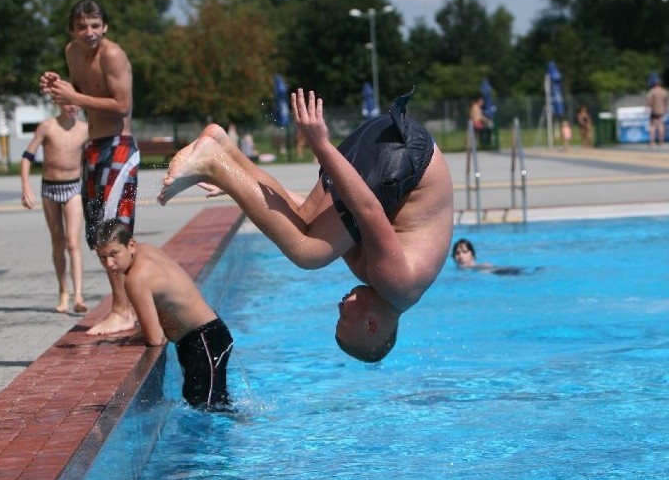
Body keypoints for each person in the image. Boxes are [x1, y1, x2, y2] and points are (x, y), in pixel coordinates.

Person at [158, 88, 454, 363]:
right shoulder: (397, 284)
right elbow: (368, 209)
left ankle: (224, 150)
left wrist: (239, 184)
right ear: (371, 326)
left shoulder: (377, 279)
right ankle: (212, 162)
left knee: (305, 224)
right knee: (308, 253)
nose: (338, 309)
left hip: (388, 140)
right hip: (406, 154)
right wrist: (320, 144)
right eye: (342, 320)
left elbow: (304, 213)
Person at [39, 0, 139, 336]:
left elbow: (122, 106)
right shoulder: (72, 53)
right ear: (72, 29)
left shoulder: (112, 55)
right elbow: (78, 98)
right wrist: (58, 90)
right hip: (93, 148)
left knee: (117, 234)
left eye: (95, 25)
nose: (89, 32)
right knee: (98, 235)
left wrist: (75, 97)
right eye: (82, 26)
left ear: (105, 26)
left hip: (119, 149)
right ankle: (124, 306)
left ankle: (125, 310)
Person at [94, 220, 233, 411]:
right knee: (214, 405)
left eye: (114, 254)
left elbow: (155, 338)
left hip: (203, 341)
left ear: (131, 245)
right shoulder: (147, 250)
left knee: (206, 410)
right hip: (209, 335)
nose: (109, 264)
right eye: (102, 257)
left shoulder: (136, 279)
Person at [20, 103, 89, 314]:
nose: (73, 107)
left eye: (76, 103)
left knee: (73, 242)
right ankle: (63, 292)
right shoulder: (47, 126)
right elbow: (27, 157)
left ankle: (78, 295)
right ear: (59, 103)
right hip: (50, 188)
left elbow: (92, 159)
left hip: (73, 188)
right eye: (68, 103)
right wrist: (25, 187)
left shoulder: (85, 129)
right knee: (58, 242)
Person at [451, 238, 524, 276]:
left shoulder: (483, 266)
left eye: (464, 252)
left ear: (472, 254)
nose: (460, 256)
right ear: (454, 257)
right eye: (457, 253)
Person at [646, 76, 669, 148]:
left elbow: (649, 101)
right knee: (661, 125)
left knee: (652, 126)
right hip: (662, 110)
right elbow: (666, 102)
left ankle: (652, 142)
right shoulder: (664, 92)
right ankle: (661, 142)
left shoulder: (652, 91)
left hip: (654, 110)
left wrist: (648, 107)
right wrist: (665, 109)